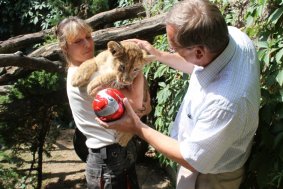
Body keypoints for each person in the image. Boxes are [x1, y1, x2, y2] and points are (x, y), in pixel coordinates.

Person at [96, 0, 261, 189]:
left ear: (199, 52)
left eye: (174, 48)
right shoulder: (233, 37)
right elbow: (198, 64)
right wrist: (158, 54)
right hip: (203, 156)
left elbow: (192, 159)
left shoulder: (225, 104)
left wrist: (137, 127)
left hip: (210, 177)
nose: (172, 50)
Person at [55, 16, 151, 189]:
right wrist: (137, 62)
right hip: (108, 158)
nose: (87, 44)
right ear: (65, 47)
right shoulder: (85, 76)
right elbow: (136, 104)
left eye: (89, 37)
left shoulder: (93, 66)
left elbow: (140, 106)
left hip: (117, 152)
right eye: (78, 41)